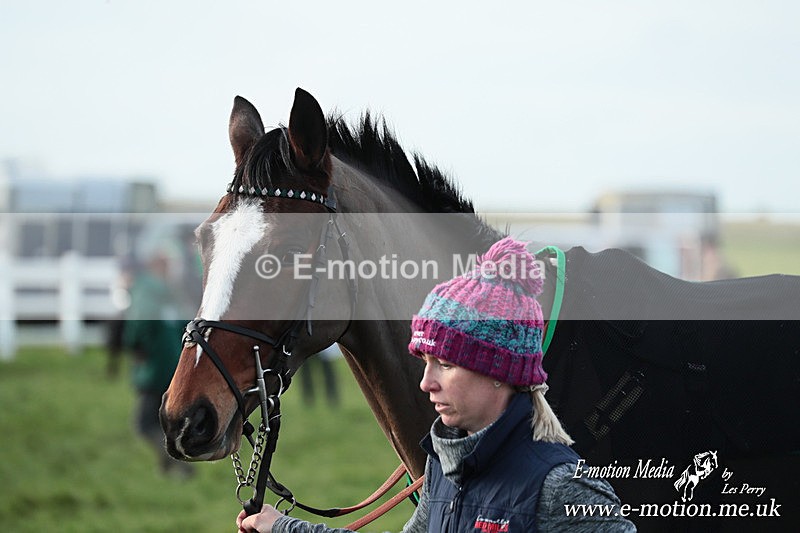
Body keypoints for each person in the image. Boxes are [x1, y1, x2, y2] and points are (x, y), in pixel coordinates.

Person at [237, 237, 635, 532]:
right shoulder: (444, 468)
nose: (426, 383)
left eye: (445, 363)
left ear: (500, 371)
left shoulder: (563, 488)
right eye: (426, 362)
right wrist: (283, 528)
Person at [123, 254, 193, 477]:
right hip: (174, 366)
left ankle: (178, 464)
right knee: (165, 420)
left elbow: (140, 323)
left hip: (154, 367)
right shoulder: (169, 292)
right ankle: (166, 468)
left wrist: (134, 345)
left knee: (144, 424)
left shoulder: (143, 290)